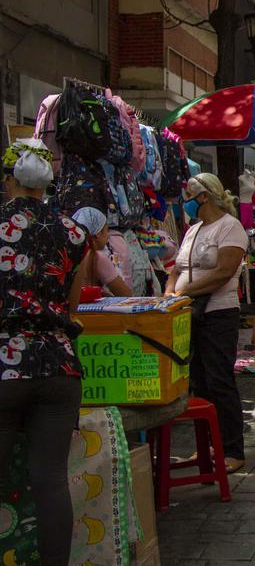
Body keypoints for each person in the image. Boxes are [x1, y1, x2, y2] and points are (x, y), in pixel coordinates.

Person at [0, 139, 88, 566]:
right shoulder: (73, 231)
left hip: (3, 366)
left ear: (9, 180)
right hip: (58, 364)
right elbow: (70, 304)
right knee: (51, 480)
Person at [165, 173, 249, 473]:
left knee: (219, 380)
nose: (184, 201)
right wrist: (169, 294)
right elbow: (176, 268)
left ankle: (232, 449)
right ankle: (206, 448)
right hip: (188, 313)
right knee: (198, 383)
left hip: (218, 314)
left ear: (203, 197)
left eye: (189, 195)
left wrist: (183, 292)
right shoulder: (193, 230)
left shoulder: (230, 228)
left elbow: (223, 271)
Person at [72, 207, 132, 297]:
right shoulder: (97, 257)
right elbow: (125, 294)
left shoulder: (70, 254)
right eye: (106, 230)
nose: (108, 236)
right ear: (98, 234)